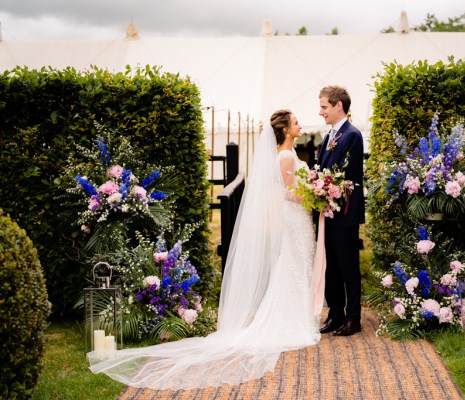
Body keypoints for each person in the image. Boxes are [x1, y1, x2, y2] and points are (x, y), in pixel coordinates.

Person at [88, 110, 320, 390]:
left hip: (299, 218)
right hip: (295, 217)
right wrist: (315, 192)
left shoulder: (288, 154)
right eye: (295, 123)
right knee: (291, 266)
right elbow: (287, 192)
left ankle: (296, 315)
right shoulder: (284, 157)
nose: (300, 125)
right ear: (284, 129)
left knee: (295, 265)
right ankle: (289, 318)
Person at [316, 85, 365, 337]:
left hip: (344, 212)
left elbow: (346, 175)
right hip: (328, 212)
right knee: (331, 266)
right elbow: (324, 170)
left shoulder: (352, 135)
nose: (321, 111)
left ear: (338, 105)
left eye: (324, 106)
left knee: (348, 266)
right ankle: (336, 314)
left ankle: (354, 318)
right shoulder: (328, 137)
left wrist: (323, 187)